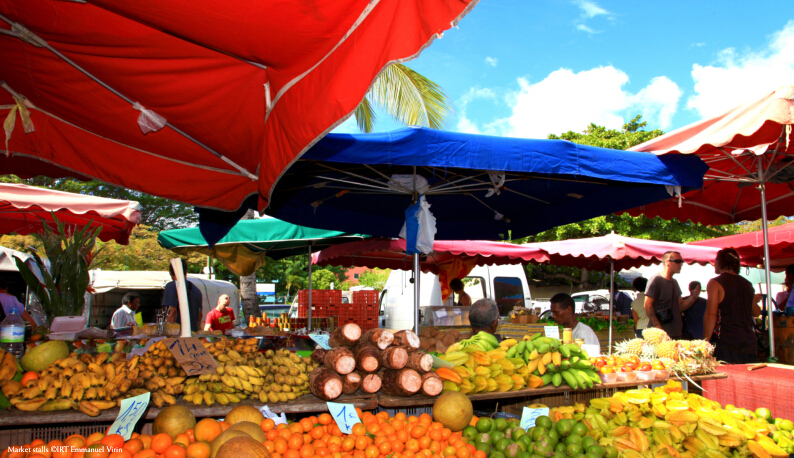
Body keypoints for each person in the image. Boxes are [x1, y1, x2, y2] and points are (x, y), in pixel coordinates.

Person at [703, 248, 761, 364]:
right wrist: (752, 299)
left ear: (720, 262)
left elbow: (711, 314)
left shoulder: (715, 283)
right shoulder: (747, 284)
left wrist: (704, 342)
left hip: (727, 342)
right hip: (749, 342)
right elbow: (756, 312)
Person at [644, 251, 701, 339]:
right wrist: (658, 328)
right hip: (659, 335)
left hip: (675, 333)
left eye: (682, 262)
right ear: (667, 263)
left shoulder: (674, 282)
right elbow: (647, 304)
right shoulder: (656, 279)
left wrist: (693, 298)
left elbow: (680, 307)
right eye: (678, 261)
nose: (681, 264)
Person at [164, 258, 203, 332]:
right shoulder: (197, 291)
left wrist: (166, 332)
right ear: (186, 271)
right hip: (193, 335)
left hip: (177, 336)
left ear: (170, 272)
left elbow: (172, 311)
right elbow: (200, 315)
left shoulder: (171, 286)